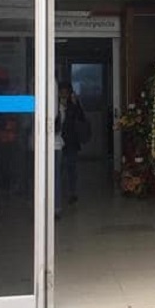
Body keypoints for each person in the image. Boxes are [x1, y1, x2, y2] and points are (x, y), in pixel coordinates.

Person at [54, 82, 87, 217]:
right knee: (59, 170)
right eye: (61, 91)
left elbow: (81, 118)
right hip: (59, 142)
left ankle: (72, 193)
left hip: (71, 142)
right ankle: (58, 194)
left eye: (66, 92)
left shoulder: (73, 105)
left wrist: (76, 103)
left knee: (71, 169)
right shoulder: (54, 105)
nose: (63, 94)